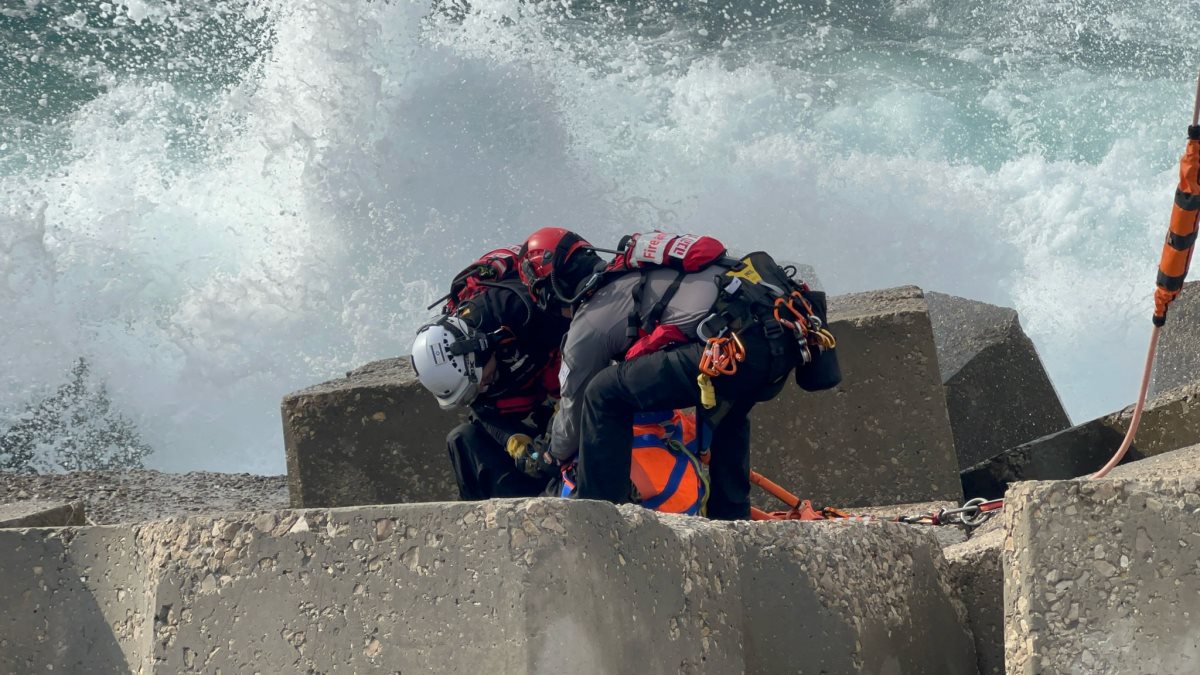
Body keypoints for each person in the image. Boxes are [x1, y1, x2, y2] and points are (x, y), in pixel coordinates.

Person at [514, 227, 840, 520]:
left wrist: (551, 454)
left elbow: (574, 403)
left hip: (737, 345)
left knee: (603, 393)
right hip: (779, 340)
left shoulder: (592, 315)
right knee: (728, 405)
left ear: (548, 289)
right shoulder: (645, 272)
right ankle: (731, 516)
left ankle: (600, 518)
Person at [410, 249, 572, 500]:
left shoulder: (519, 310)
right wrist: (513, 441)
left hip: (571, 394)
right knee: (462, 438)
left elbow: (582, 345)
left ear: (478, 352)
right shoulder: (472, 378)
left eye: (476, 385)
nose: (481, 390)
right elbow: (484, 413)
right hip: (536, 419)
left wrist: (564, 408)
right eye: (470, 393)